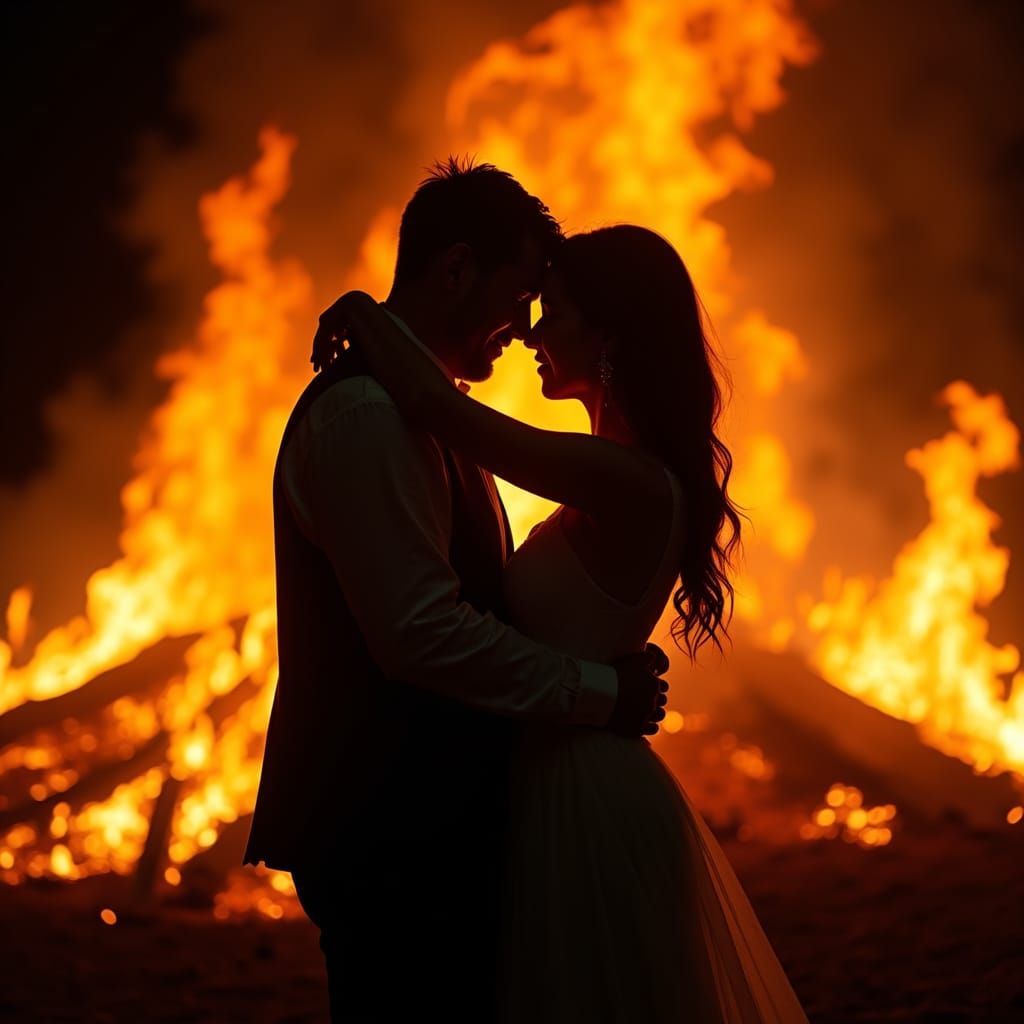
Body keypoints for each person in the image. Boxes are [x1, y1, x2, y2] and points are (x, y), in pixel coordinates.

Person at [327, 223, 812, 1022]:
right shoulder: (616, 472)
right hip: (560, 775)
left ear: (608, 335)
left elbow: (437, 408)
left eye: (551, 313)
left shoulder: (623, 478)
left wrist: (360, 312)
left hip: (585, 796)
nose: (530, 334)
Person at [242, 160, 670, 1024]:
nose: (526, 327)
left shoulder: (430, 415)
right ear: (456, 270)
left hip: (438, 826)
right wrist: (600, 691)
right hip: (390, 830)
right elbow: (421, 634)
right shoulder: (367, 416)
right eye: (521, 295)